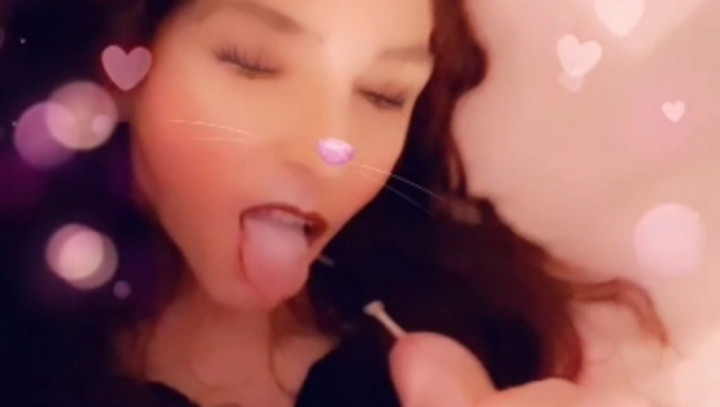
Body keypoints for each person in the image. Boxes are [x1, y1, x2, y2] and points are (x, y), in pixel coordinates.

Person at [0, 1, 664, 406]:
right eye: (254, 64)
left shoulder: (468, 317)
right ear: (119, 68)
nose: (331, 149)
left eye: (383, 94)